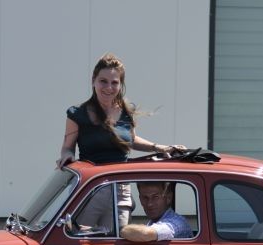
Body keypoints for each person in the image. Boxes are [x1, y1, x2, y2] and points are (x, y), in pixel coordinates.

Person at [57, 53, 186, 228]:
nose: (108, 87)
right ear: (93, 80)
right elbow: (67, 148)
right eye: (103, 81)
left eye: (114, 82)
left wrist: (160, 147)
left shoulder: (126, 110)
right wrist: (67, 157)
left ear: (120, 84)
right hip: (89, 190)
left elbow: (130, 139)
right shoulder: (77, 114)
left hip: (121, 190)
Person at [121, 182, 193, 242]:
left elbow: (145, 234)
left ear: (168, 198)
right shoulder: (152, 223)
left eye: (155, 197)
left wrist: (121, 229)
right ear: (140, 199)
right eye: (145, 198)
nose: (149, 204)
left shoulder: (177, 222)